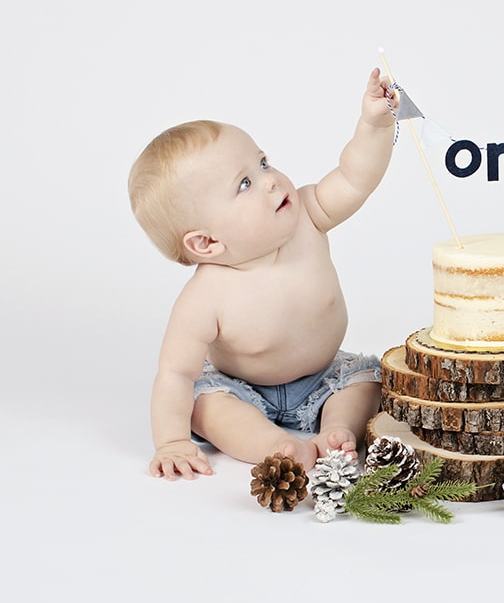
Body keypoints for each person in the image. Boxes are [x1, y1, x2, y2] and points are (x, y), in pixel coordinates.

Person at [129, 69, 395, 480]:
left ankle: (336, 430)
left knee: (367, 381)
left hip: (326, 376)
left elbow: (355, 179)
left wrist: (373, 125)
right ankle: (274, 445)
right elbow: (176, 373)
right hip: (242, 390)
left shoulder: (309, 215)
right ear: (207, 243)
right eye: (245, 184)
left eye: (263, 162)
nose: (271, 181)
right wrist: (171, 442)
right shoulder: (205, 297)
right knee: (206, 407)